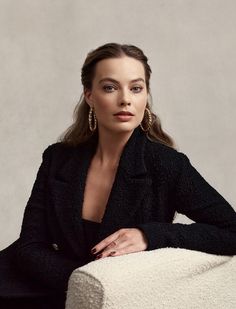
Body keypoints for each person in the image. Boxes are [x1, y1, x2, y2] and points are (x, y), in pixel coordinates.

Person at [0, 42, 236, 308]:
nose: (125, 99)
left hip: (114, 297)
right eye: (110, 87)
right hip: (42, 283)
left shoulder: (167, 165)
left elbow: (231, 230)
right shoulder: (58, 158)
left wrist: (149, 235)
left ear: (146, 95)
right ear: (89, 95)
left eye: (136, 88)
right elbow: (30, 245)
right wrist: (85, 284)